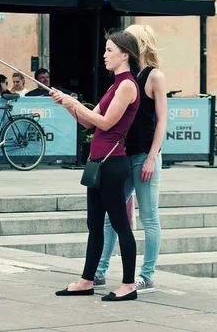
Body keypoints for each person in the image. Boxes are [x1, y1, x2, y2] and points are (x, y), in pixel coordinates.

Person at [51, 30, 141, 302]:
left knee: (119, 224)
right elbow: (89, 122)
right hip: (98, 163)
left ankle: (128, 284)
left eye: (109, 50)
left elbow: (105, 123)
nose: (104, 55)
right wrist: (66, 104)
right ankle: (87, 280)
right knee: (94, 224)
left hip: (113, 164)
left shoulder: (127, 85)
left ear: (125, 55)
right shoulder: (115, 85)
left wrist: (75, 102)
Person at [95, 24, 167, 294]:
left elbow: (161, 121)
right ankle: (100, 270)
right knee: (110, 215)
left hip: (144, 156)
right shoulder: (124, 77)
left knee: (149, 217)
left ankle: (146, 275)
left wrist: (151, 158)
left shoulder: (154, 76)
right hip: (123, 155)